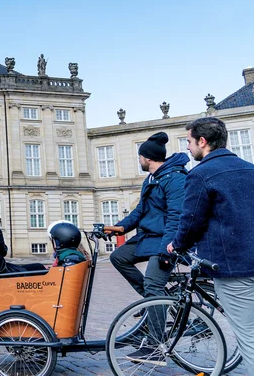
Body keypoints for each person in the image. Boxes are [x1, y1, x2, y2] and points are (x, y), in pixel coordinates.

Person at [167, 117, 254, 374]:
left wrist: (177, 244)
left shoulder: (200, 174)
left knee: (248, 336)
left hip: (233, 267)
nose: (188, 148)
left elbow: (191, 220)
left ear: (202, 142)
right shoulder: (251, 169)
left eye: (189, 142)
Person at [105, 131, 188, 365]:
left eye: (139, 156)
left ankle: (155, 346)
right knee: (119, 257)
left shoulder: (175, 178)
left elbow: (176, 218)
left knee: (153, 283)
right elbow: (139, 211)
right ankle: (153, 304)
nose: (138, 160)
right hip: (150, 237)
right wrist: (118, 228)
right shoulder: (151, 179)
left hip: (166, 240)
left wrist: (165, 251)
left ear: (147, 158)